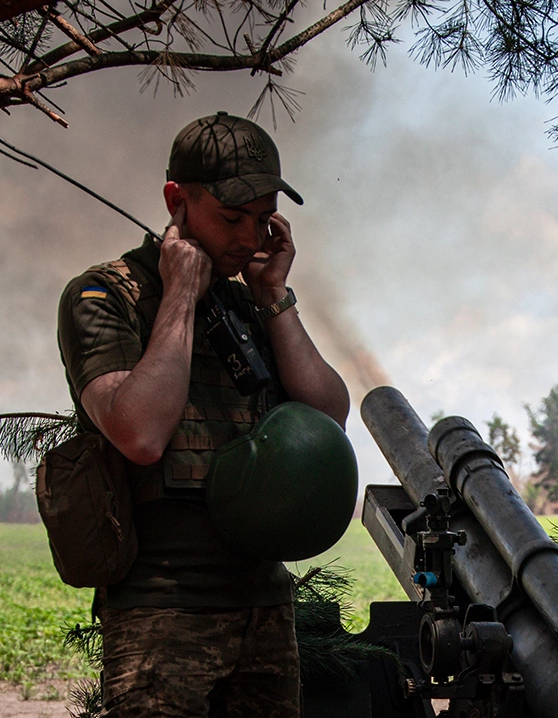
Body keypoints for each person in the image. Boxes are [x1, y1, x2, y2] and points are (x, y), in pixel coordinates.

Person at [57, 112, 350, 717]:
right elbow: (138, 432)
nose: (249, 238)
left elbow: (328, 417)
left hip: (263, 603)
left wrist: (273, 299)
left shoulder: (250, 304)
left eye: (263, 218)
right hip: (162, 607)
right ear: (176, 201)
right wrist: (182, 295)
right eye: (232, 217)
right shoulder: (106, 297)